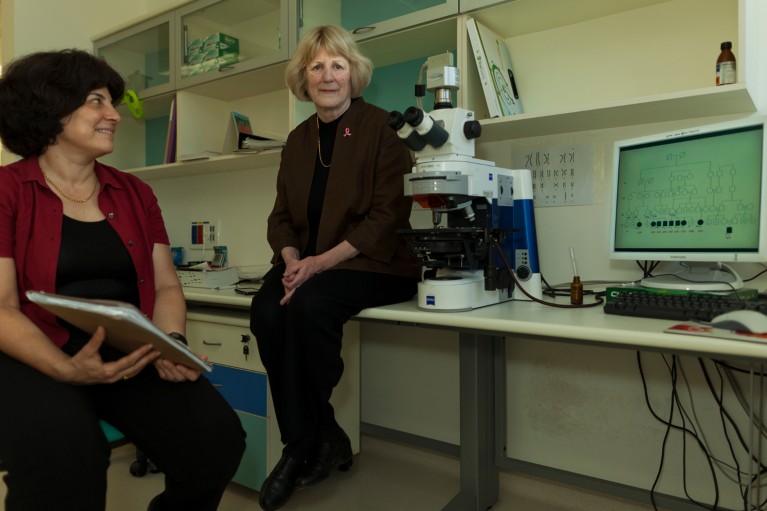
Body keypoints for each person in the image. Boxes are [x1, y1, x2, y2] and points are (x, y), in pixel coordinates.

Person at [0, 49, 245, 511]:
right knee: (67, 460)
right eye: (97, 100)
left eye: (112, 102)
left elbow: (167, 285)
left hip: (127, 349)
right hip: (31, 351)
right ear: (51, 107)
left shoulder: (134, 192)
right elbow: (1, 306)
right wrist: (65, 369)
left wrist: (171, 341)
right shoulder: (7, 190)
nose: (114, 114)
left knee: (216, 441)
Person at [249, 24, 420, 511]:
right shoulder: (297, 140)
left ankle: (298, 447)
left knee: (309, 306)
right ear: (303, 78)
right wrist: (290, 258)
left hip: (371, 263)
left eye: (337, 65)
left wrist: (319, 263)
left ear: (354, 73)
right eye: (316, 66)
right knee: (266, 313)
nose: (327, 76)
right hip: (303, 264)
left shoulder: (383, 129)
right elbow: (280, 216)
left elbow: (389, 216)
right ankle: (325, 433)